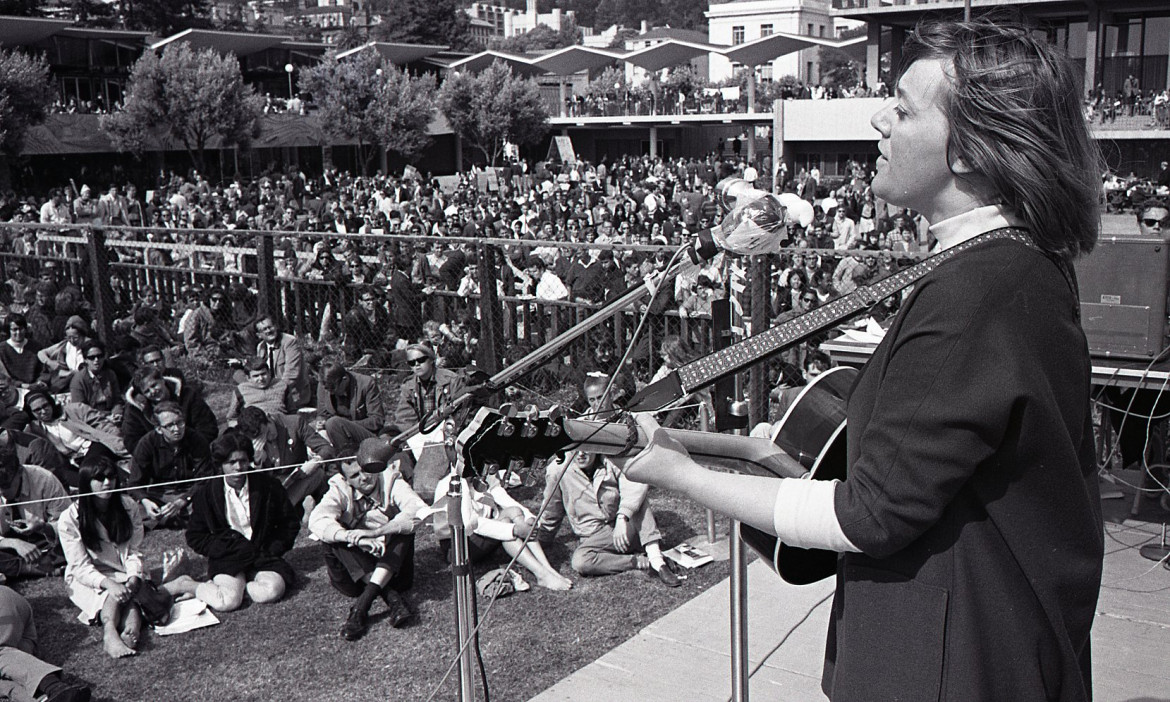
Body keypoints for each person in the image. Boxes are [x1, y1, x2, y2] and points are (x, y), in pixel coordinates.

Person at [615, 19, 1104, 701]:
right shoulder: (1000, 269)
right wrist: (778, 455)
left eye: (903, 109)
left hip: (953, 667)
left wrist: (678, 473)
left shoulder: (978, 290)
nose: (878, 117)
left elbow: (869, 517)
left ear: (973, 148)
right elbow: (929, 473)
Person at [536, 374, 681, 587]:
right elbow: (552, 504)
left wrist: (623, 517)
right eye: (591, 399)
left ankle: (658, 561)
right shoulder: (573, 445)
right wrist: (542, 538)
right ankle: (640, 561)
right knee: (581, 561)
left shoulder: (625, 423)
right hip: (595, 535)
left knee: (638, 494)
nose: (597, 403)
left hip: (621, 520)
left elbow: (634, 476)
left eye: (601, 397)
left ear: (611, 394)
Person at [58, 455, 199, 659]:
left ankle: (126, 632)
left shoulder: (128, 505)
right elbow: (80, 567)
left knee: (129, 594)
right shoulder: (70, 518)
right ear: (86, 483)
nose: (107, 483)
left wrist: (133, 576)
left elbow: (134, 550)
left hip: (124, 570)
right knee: (113, 595)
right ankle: (113, 632)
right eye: (99, 478)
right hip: (90, 577)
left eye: (111, 477)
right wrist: (108, 583)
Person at [308, 438, 424, 641]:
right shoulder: (338, 489)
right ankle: (392, 599)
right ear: (346, 479)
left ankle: (361, 607)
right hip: (353, 575)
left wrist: (377, 532)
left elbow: (417, 509)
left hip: (393, 565)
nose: (363, 478)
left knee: (403, 529)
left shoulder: (390, 478)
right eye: (354, 475)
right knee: (332, 536)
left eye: (365, 470)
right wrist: (353, 537)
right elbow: (317, 520)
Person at [185, 431, 301, 612]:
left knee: (271, 591)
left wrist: (273, 548)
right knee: (227, 602)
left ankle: (242, 583)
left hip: (263, 556)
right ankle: (189, 585)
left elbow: (290, 523)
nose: (238, 468)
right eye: (231, 463)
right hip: (228, 559)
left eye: (243, 461)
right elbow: (195, 536)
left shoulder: (268, 486)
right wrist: (223, 548)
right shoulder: (206, 494)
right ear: (220, 464)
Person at [433, 467, 572, 591]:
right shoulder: (451, 483)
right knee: (506, 525)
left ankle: (547, 568)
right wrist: (513, 530)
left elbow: (503, 497)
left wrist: (528, 516)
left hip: (479, 536)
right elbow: (472, 524)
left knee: (514, 511)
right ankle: (541, 575)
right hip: (457, 546)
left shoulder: (483, 474)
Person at [129, 401, 214, 529]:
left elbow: (205, 478)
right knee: (132, 510)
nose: (177, 429)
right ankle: (177, 518)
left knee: (209, 501)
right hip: (160, 494)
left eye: (180, 422)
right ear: (158, 429)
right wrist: (146, 502)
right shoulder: (146, 443)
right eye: (169, 425)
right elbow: (134, 483)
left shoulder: (196, 440)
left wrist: (182, 500)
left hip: (190, 492)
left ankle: (172, 519)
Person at [0, 584, 92, 702]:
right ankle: (48, 696)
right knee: (10, 669)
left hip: (4, 603)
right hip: (18, 623)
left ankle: (54, 686)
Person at [0, 436, 71, 581]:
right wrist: (14, 543)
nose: (1, 493)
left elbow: (69, 524)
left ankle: (25, 567)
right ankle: (35, 569)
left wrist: (44, 527)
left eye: (5, 486)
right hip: (6, 546)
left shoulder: (44, 479)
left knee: (79, 543)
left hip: (46, 543)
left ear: (20, 472)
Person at [316, 358, 384, 452]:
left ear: (344, 379)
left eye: (333, 389)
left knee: (333, 423)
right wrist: (320, 422)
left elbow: (377, 420)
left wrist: (346, 425)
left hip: (365, 436)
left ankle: (347, 461)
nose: (330, 393)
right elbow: (322, 414)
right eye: (327, 389)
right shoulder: (325, 386)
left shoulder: (366, 384)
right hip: (335, 433)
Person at [253, 315, 310, 410]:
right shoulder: (261, 347)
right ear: (259, 335)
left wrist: (273, 394)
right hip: (271, 393)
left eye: (270, 327)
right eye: (264, 329)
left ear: (276, 326)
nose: (268, 331)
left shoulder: (289, 342)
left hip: (292, 395)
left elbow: (291, 375)